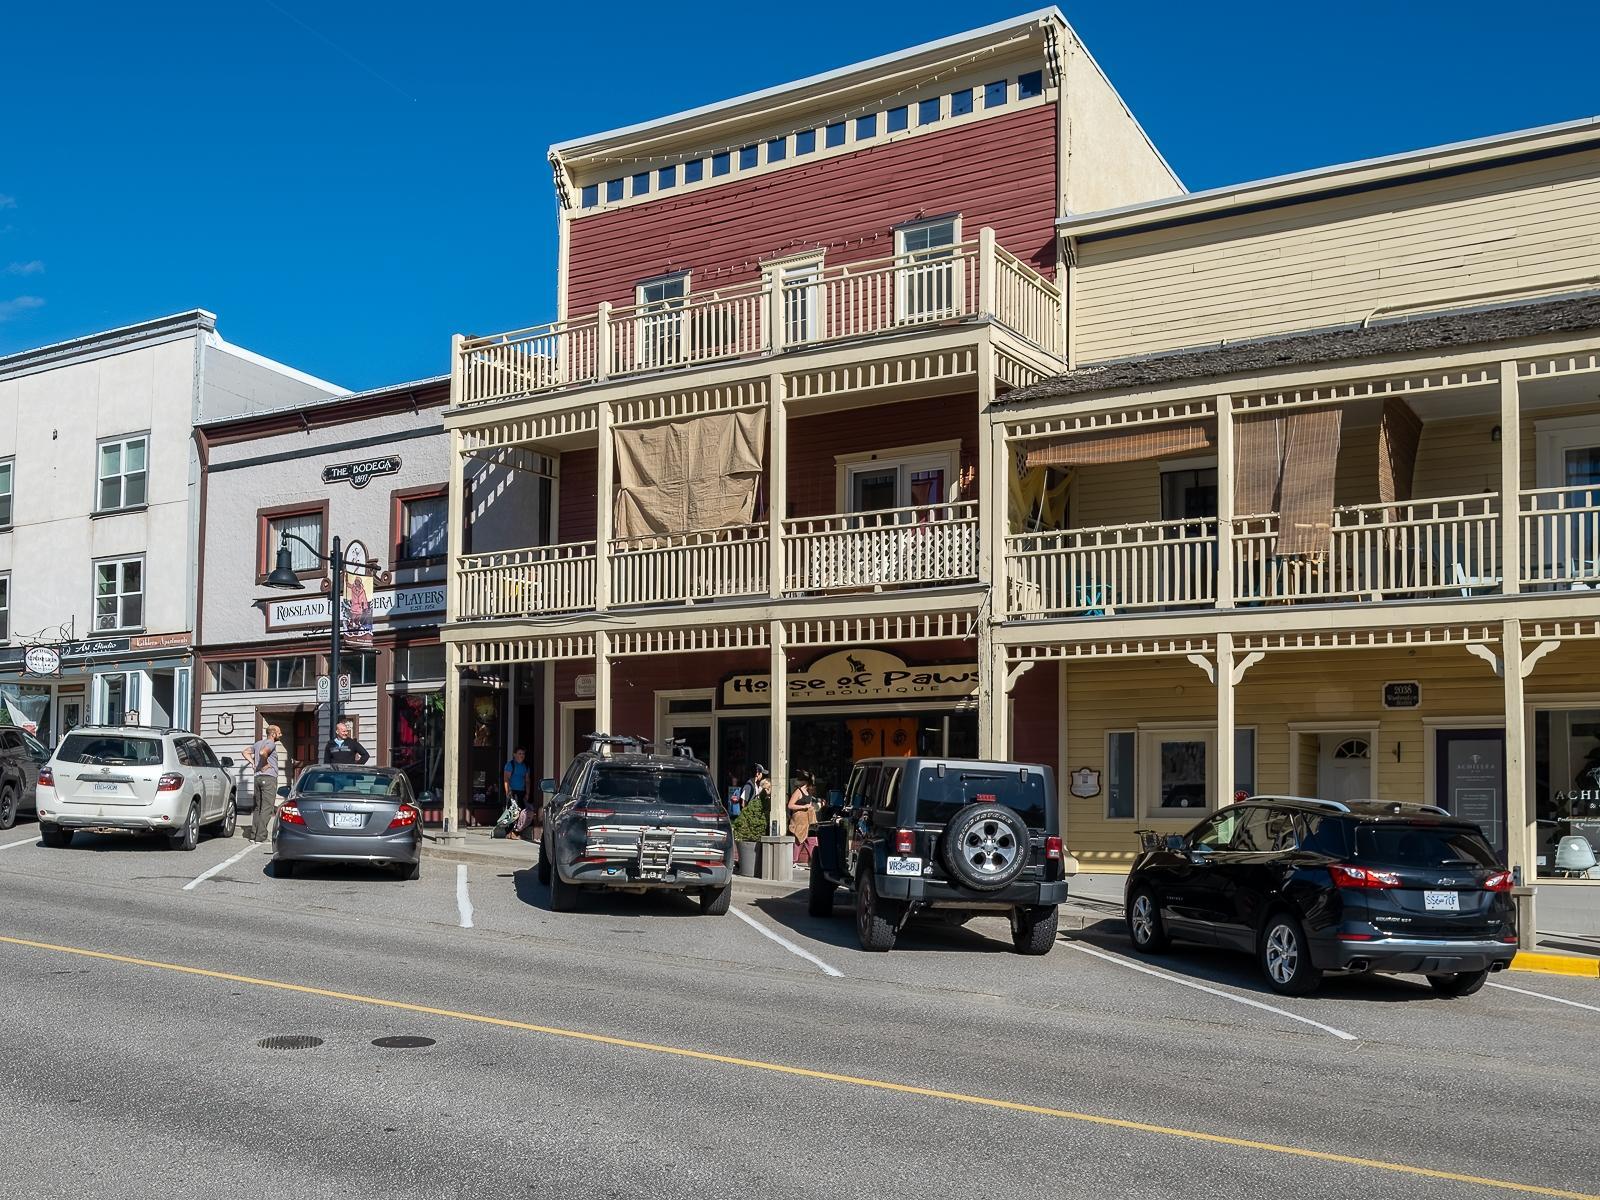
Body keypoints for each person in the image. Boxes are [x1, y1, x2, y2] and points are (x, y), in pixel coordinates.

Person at [242, 724, 283, 843]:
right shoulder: (270, 743)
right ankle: (261, 837)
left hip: (258, 778)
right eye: (279, 733)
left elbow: (245, 752)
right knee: (267, 808)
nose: (280, 735)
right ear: (273, 734)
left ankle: (254, 835)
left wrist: (253, 764)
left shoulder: (258, 743)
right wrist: (265, 764)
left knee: (258, 807)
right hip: (268, 778)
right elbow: (262, 753)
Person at [505, 748, 539, 841]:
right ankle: (510, 833)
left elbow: (527, 780)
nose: (521, 756)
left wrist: (527, 793)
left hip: (522, 792)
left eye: (523, 754)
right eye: (519, 753)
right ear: (514, 754)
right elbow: (506, 779)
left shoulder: (525, 766)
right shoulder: (510, 765)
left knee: (522, 813)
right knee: (513, 812)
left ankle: (516, 832)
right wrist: (508, 792)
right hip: (513, 791)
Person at [787, 770, 819, 865]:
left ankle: (814, 861)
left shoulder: (809, 791)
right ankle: (793, 861)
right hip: (799, 821)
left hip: (809, 821)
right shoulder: (798, 791)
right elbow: (790, 805)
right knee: (799, 841)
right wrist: (804, 807)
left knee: (812, 840)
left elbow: (809, 804)